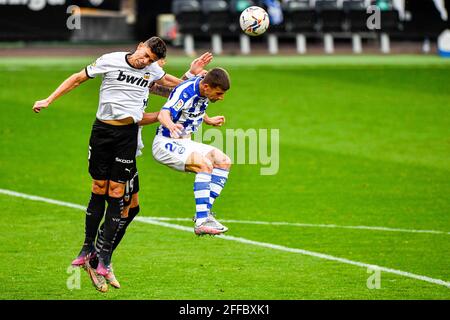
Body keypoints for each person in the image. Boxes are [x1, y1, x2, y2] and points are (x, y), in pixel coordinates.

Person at [32, 37, 212, 291]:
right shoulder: (115, 62)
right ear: (140, 46)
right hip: (110, 135)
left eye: (153, 62)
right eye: (148, 57)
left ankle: (100, 257)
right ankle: (98, 258)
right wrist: (48, 100)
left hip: (129, 141)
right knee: (123, 203)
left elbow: (175, 90)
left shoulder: (150, 73)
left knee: (130, 206)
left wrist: (192, 79)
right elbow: (80, 78)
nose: (147, 63)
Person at [152, 68, 232, 236]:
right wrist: (171, 125)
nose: (221, 97)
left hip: (185, 141)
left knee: (223, 161)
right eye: (218, 93)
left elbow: (195, 108)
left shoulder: (203, 87)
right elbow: (163, 114)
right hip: (165, 143)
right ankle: (202, 222)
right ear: (207, 87)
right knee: (204, 165)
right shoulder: (185, 91)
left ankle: (203, 215)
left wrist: (208, 120)